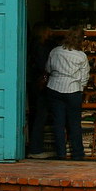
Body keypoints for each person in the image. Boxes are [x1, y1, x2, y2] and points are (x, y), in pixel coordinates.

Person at [43, 26, 89, 160]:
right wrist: (81, 88)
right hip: (73, 90)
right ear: (80, 40)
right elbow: (84, 76)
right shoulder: (81, 56)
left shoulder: (55, 51)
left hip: (54, 87)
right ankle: (78, 154)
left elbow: (48, 68)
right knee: (74, 124)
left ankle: (61, 153)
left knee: (58, 123)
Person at [26, 22, 57, 159]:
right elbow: (43, 66)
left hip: (34, 83)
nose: (51, 33)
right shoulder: (40, 47)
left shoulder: (32, 45)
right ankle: (36, 149)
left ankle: (34, 147)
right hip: (39, 85)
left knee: (37, 115)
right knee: (40, 115)